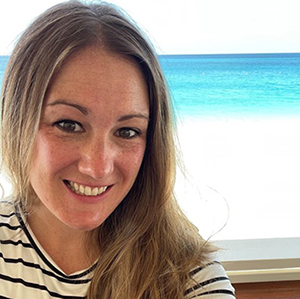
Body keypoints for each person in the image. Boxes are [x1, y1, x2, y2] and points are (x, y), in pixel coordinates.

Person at [0, 1, 235, 298]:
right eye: (69, 125)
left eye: (127, 131)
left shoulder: (189, 276)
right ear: (18, 121)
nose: (98, 167)